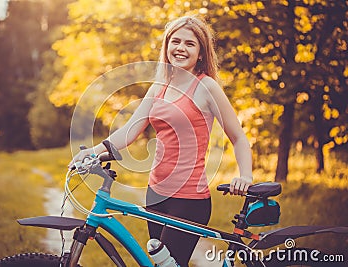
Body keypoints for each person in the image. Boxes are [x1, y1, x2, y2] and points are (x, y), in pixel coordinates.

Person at [69, 15, 253, 266]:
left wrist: (246, 176)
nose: (180, 48)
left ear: (201, 53)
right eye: (175, 41)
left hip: (188, 200)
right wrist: (92, 151)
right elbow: (129, 131)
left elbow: (238, 137)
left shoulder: (206, 86)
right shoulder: (159, 86)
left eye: (190, 44)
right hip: (155, 195)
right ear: (166, 47)